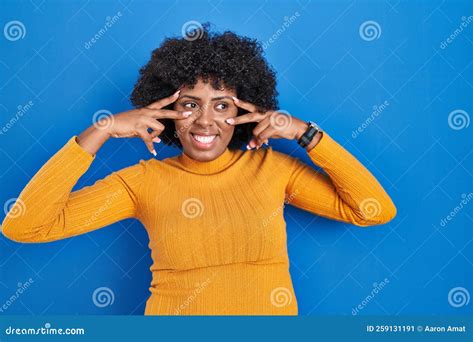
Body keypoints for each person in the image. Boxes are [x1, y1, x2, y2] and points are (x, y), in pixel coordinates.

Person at [1, 25, 396, 315]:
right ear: (167, 110)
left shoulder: (273, 170)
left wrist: (304, 133)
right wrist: (101, 129)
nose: (206, 121)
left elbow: (373, 210)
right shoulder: (143, 182)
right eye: (190, 104)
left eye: (222, 105)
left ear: (245, 111)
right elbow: (24, 226)